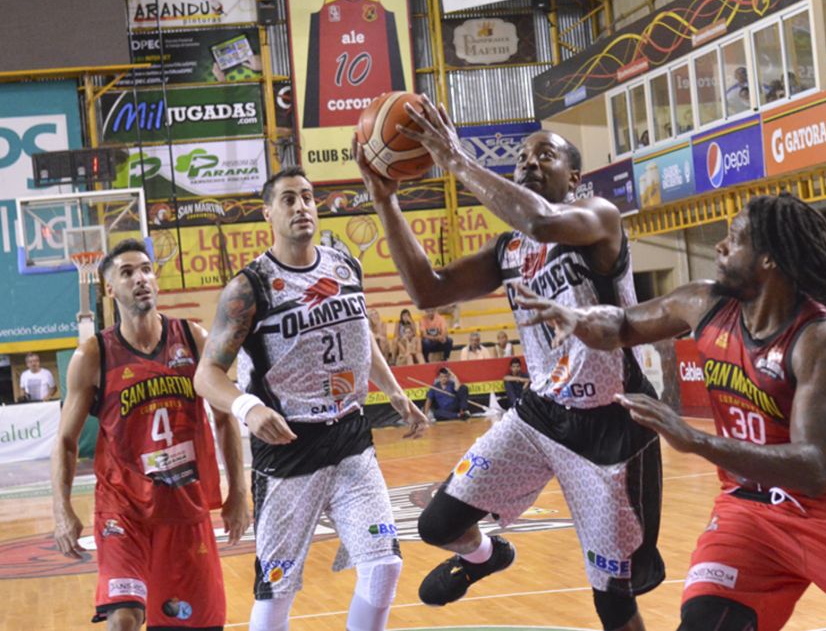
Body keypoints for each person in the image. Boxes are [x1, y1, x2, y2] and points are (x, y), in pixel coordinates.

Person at [515, 193, 826, 631]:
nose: (721, 247)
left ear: (769, 259)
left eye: (735, 238)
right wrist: (576, 317)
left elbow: (815, 468)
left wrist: (695, 440)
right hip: (748, 510)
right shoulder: (704, 302)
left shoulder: (819, 339)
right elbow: (623, 324)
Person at [353, 98, 664, 631]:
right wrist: (385, 201)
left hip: (610, 426)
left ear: (575, 177)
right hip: (539, 415)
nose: (529, 164)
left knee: (613, 602)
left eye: (545, 156)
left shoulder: (600, 219)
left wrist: (455, 160)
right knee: (437, 523)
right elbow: (428, 291)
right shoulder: (509, 251)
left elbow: (540, 221)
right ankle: (485, 556)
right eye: (521, 159)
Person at [193, 167, 429, 631]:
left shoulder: (345, 264)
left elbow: (358, 334)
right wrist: (249, 408)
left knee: (384, 565)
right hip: (288, 447)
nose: (301, 206)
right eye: (288, 199)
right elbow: (206, 375)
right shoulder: (250, 286)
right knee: (278, 588)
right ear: (268, 213)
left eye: (307, 197)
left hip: (350, 438)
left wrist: (394, 391)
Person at [51, 238, 250, 631]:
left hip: (185, 507)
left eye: (145, 269)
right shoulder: (93, 356)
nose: (140, 278)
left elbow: (224, 418)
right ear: (110, 289)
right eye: (127, 273)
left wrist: (238, 493)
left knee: (192, 624)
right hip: (123, 510)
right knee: (124, 618)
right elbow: (66, 441)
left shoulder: (193, 338)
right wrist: (62, 509)